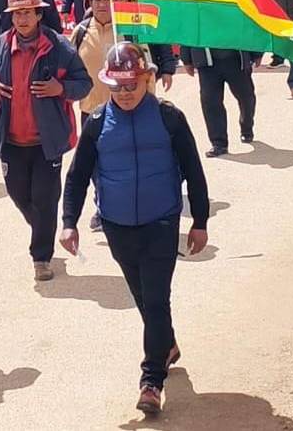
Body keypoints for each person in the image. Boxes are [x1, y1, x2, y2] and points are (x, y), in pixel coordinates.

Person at [59, 43, 209, 416]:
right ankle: (167, 344)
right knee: (144, 298)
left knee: (156, 299)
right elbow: (76, 178)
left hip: (162, 221)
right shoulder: (95, 124)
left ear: (147, 79)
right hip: (117, 225)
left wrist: (201, 221)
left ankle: (151, 381)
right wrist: (68, 222)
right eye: (117, 87)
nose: (125, 94)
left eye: (132, 85)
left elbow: (193, 170)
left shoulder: (169, 118)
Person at [0, 0, 92, 281]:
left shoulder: (59, 47)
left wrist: (60, 88)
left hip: (46, 141)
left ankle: (41, 257)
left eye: (28, 12)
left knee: (45, 197)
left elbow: (84, 84)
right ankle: (44, 228)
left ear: (39, 14)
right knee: (17, 194)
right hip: (11, 139)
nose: (22, 19)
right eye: (17, 14)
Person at [69, 0, 176, 230]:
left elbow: (150, 65)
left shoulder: (132, 29)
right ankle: (102, 206)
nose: (102, 4)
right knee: (95, 164)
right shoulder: (81, 31)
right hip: (93, 111)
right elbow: (69, 66)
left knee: (128, 163)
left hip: (131, 109)